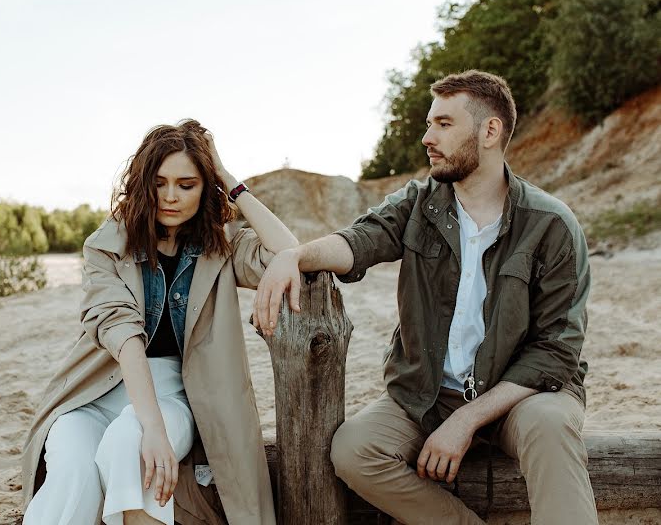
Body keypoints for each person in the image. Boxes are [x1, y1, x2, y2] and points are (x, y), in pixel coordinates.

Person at [254, 70, 598, 525]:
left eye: (443, 124)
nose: (426, 137)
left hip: (522, 396)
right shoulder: (419, 203)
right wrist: (296, 256)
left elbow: (556, 354)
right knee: (354, 450)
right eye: (429, 123)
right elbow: (359, 241)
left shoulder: (551, 225)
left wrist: (466, 420)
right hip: (429, 394)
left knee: (553, 427)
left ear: (490, 131)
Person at [21, 119, 293, 525]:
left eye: (187, 184)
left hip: (177, 394)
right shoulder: (106, 245)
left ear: (205, 188)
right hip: (95, 393)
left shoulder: (223, 246)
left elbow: (289, 251)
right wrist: (151, 427)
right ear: (142, 182)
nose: (170, 196)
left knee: (128, 444)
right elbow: (123, 334)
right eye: (160, 182)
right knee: (72, 474)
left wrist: (227, 176)